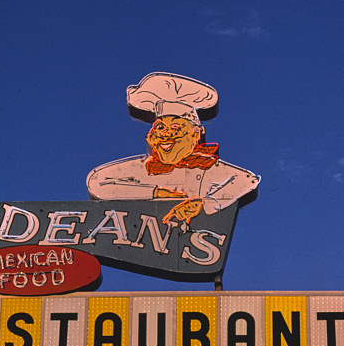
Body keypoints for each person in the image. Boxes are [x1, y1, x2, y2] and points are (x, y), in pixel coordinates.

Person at [86, 72, 260, 229]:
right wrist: (155, 193)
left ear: (196, 134)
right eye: (160, 127)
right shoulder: (142, 168)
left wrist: (204, 204)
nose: (166, 135)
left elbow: (247, 180)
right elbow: (97, 182)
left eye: (176, 127)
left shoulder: (211, 169)